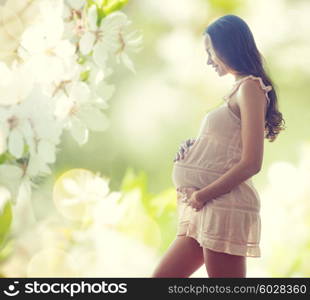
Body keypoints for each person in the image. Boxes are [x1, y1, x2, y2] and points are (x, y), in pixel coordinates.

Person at [152, 14, 285, 278]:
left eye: (210, 51)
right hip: (208, 208)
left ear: (227, 47)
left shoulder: (250, 88)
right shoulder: (238, 90)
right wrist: (195, 147)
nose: (208, 60)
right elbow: (227, 147)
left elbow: (251, 162)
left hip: (222, 205)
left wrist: (203, 195)